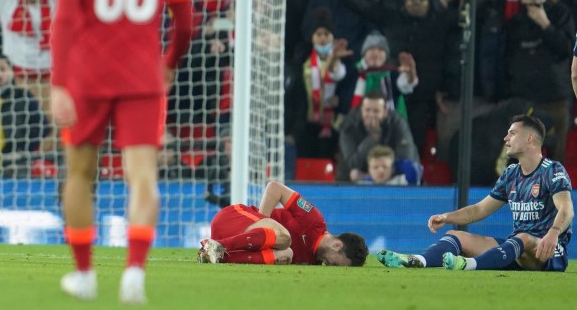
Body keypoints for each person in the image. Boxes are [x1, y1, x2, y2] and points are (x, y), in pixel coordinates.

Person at [51, 0, 194, 304]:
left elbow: (65, 23)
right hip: (142, 77)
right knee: (143, 176)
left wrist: (58, 83)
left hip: (87, 77)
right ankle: (134, 272)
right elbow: (186, 22)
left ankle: (85, 275)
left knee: (79, 173)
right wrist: (169, 62)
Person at [378, 115, 573, 272]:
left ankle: (468, 264)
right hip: (516, 250)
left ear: (530, 138)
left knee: (523, 237)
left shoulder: (552, 170)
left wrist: (553, 233)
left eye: (512, 133)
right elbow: (480, 209)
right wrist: (447, 217)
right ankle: (417, 260)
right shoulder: (511, 173)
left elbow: (567, 210)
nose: (505, 139)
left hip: (548, 252)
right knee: (456, 235)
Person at [197, 181, 369, 266]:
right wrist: (262, 221)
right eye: (336, 264)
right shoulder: (314, 221)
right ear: (338, 245)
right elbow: (275, 188)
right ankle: (217, 245)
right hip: (232, 219)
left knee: (286, 254)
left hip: (241, 245)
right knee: (285, 240)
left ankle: (216, 256)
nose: (331, 266)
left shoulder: (312, 261)